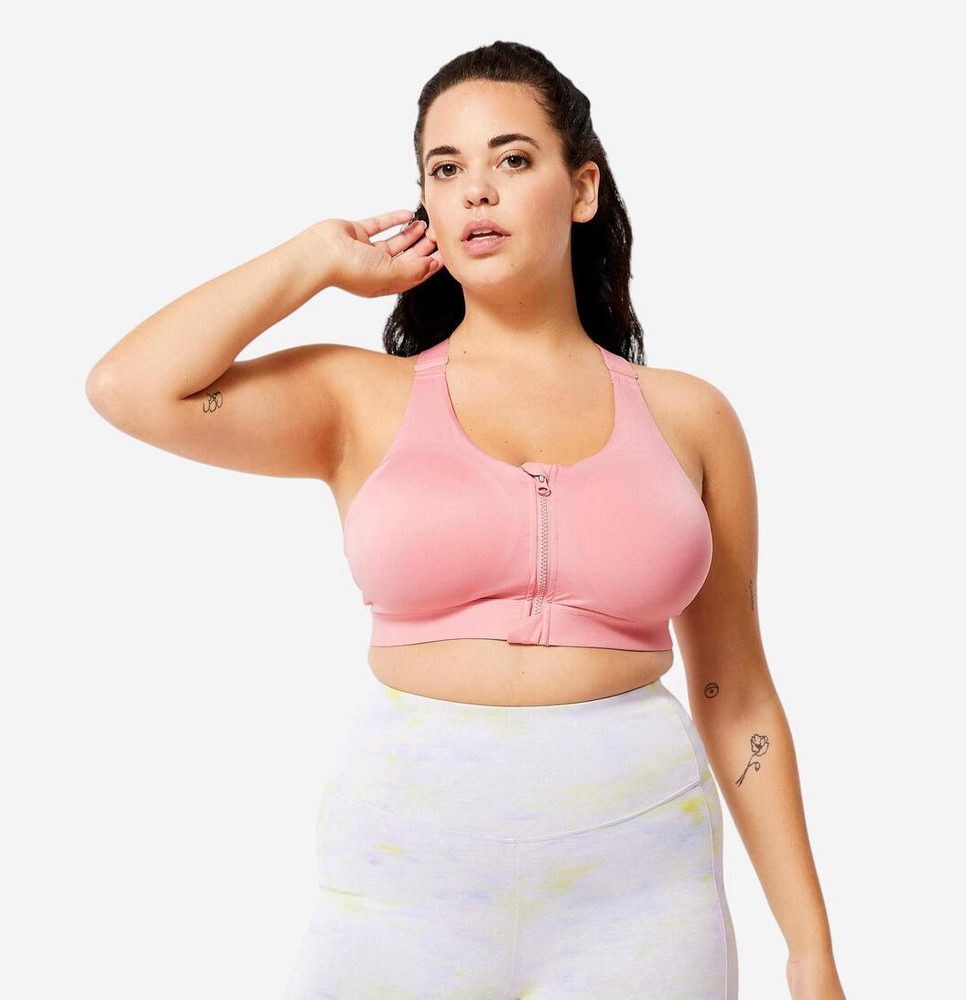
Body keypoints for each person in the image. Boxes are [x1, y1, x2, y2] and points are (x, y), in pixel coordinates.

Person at [86, 40, 846, 1000]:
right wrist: (313, 259)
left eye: (512, 158)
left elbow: (736, 696)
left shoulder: (691, 419)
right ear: (426, 206)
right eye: (445, 170)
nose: (476, 189)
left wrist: (810, 951)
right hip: (400, 892)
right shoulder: (359, 399)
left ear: (582, 189)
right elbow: (130, 388)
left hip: (641, 894)